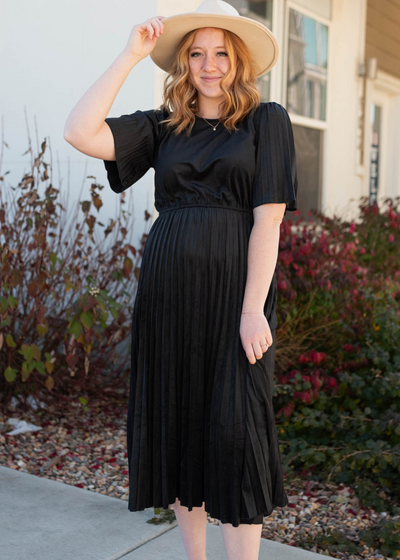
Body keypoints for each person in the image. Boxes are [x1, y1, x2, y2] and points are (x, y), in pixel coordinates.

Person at [64, 1, 298, 558]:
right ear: (184, 64)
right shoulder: (163, 128)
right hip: (170, 295)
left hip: (234, 301)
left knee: (239, 435)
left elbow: (269, 220)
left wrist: (251, 311)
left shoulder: (267, 122)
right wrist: (130, 54)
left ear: (238, 61)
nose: (209, 64)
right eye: (197, 53)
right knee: (180, 427)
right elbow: (79, 131)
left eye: (221, 52)